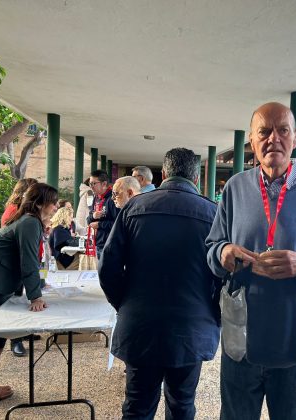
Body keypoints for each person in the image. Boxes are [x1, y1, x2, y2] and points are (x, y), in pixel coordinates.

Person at [206, 102, 296, 420]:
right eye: (264, 132)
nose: (274, 139)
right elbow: (211, 248)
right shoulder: (235, 188)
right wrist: (223, 253)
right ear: (252, 142)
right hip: (240, 344)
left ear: (295, 138)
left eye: (283, 130)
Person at [99, 148, 220, 419]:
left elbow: (108, 267)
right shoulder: (214, 213)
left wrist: (125, 303)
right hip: (192, 327)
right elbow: (224, 275)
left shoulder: (133, 207)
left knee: (137, 406)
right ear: (197, 179)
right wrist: (211, 314)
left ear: (163, 174)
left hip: (141, 325)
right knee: (182, 404)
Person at [0, 183, 56, 403]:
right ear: (40, 203)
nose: (56, 207)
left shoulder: (27, 219)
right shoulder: (29, 222)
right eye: (53, 202)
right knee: (0, 330)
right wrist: (35, 296)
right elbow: (28, 260)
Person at [0, 178, 39, 357]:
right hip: (16, 263)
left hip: (23, 261)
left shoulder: (26, 212)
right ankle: (15, 340)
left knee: (19, 298)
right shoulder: (15, 212)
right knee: (15, 301)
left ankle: (23, 333)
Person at [86, 170, 119, 259]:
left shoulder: (113, 199)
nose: (91, 187)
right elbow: (88, 220)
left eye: (94, 184)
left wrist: (99, 224)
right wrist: (93, 216)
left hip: (109, 245)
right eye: (90, 184)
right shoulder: (96, 198)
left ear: (104, 184)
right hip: (96, 243)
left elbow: (118, 224)